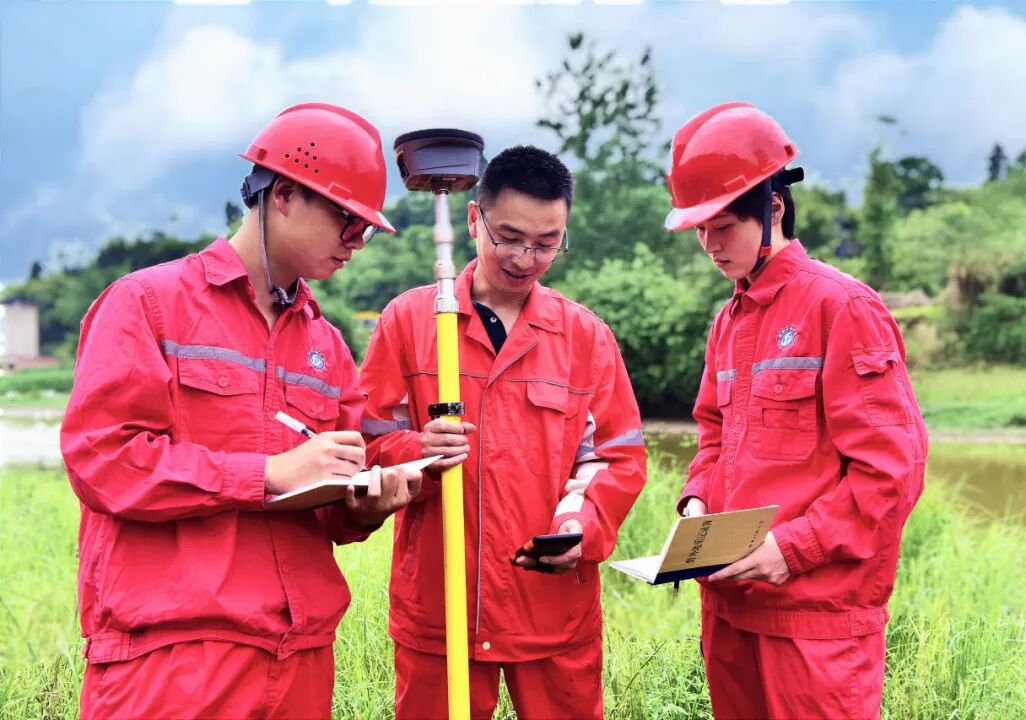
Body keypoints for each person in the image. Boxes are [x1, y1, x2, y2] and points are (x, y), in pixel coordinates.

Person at [61, 102, 422, 720]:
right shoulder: (148, 305)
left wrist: (362, 507)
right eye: (347, 223)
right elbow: (105, 461)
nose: (356, 245)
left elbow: (332, 508)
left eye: (365, 231)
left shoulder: (325, 345)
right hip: (174, 656)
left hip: (300, 654)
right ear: (284, 194)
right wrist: (269, 473)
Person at [358, 145, 647, 719]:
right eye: (509, 237)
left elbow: (615, 457)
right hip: (442, 609)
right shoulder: (410, 324)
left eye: (546, 243)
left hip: (551, 611)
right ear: (473, 220)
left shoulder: (585, 338)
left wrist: (578, 526)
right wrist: (418, 452)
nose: (525, 257)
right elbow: (366, 445)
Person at [666, 102, 928, 719]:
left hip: (817, 623)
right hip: (731, 610)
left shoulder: (842, 309)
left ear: (773, 208)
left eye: (722, 226)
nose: (709, 246)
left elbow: (892, 472)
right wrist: (699, 504)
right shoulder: (726, 323)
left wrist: (795, 549)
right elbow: (712, 435)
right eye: (699, 230)